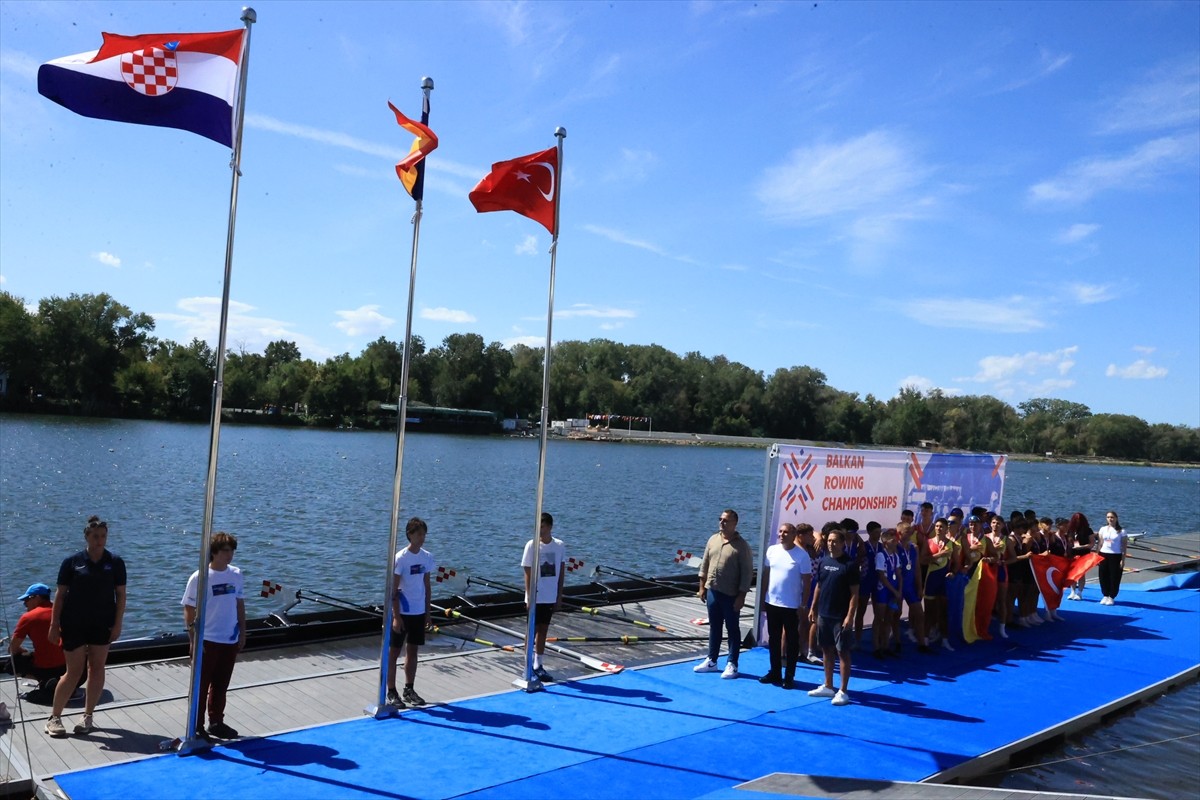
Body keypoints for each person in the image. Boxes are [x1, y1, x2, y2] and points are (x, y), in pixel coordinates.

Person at [45, 516, 127, 738]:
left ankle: (88, 716)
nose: (99, 541)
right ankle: (54, 717)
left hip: (102, 623)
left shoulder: (115, 562)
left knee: (97, 668)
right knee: (73, 671)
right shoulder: (72, 562)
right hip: (74, 622)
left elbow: (120, 595)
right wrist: (54, 624)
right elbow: (60, 596)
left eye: (103, 536)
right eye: (95, 536)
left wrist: (118, 623)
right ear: (87, 537)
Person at [182, 531, 246, 740]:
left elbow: (239, 603)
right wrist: (193, 639)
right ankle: (197, 726)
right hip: (207, 640)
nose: (230, 555)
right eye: (226, 551)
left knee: (221, 684)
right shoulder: (199, 577)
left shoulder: (236, 574)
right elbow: (189, 608)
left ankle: (216, 722)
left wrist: (243, 632)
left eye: (232, 551)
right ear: (215, 552)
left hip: (229, 638)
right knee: (201, 686)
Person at [694, 508, 754, 679]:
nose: (722, 522)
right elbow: (704, 564)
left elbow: (747, 573)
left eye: (726, 520)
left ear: (735, 523)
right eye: (720, 519)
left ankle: (732, 664)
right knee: (715, 626)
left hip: (731, 594)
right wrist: (702, 587)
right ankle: (712, 660)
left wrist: (741, 596)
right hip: (713, 590)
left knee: (733, 628)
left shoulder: (742, 546)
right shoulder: (713, 540)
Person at [808, 528, 858, 706]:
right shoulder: (823, 561)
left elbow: (854, 594)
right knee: (826, 649)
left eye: (835, 541)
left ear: (843, 543)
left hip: (840, 616)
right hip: (824, 614)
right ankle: (828, 685)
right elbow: (819, 586)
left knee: (842, 652)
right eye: (829, 540)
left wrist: (849, 616)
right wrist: (813, 607)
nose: (831, 544)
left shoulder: (849, 565)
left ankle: (843, 691)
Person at [388, 517, 435, 706]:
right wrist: (396, 617)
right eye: (418, 534)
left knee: (413, 651)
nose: (422, 537)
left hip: (419, 611)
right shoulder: (401, 558)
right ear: (410, 535)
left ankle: (409, 689)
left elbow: (427, 585)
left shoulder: (427, 557)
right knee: (394, 653)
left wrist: (428, 613)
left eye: (424, 534)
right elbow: (394, 590)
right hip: (403, 612)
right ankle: (391, 691)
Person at [759, 523, 811, 688]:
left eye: (786, 532)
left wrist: (803, 604)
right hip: (772, 602)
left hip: (791, 606)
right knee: (773, 639)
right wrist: (762, 599)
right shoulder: (772, 551)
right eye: (780, 531)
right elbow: (766, 575)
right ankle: (775, 672)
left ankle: (789, 675)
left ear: (794, 534)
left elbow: (807, 582)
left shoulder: (802, 556)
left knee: (792, 640)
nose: (781, 534)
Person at [522, 512, 565, 682]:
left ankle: (538, 664)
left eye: (543, 526)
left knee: (543, 629)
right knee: (531, 631)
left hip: (550, 595)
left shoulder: (559, 545)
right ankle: (527, 664)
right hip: (535, 596)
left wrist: (559, 595)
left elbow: (561, 570)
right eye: (538, 526)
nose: (540, 530)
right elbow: (527, 570)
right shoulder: (531, 545)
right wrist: (529, 595)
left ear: (550, 527)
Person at [9, 583, 67, 698]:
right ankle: (62, 682)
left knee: (10, 664)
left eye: (26, 599)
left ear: (37, 597)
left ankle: (45, 679)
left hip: (46, 667)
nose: (24, 603)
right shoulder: (64, 611)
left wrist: (22, 650)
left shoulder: (28, 617)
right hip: (70, 666)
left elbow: (12, 648)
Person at [1096, 511, 1128, 605]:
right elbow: (1100, 543)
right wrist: (1097, 555)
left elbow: (1124, 546)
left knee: (1114, 576)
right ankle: (1105, 595)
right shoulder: (1103, 529)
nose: (1110, 519)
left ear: (1116, 518)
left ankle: (1111, 596)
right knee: (1103, 576)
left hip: (1115, 555)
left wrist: (1123, 559)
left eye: (1112, 517)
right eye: (1108, 517)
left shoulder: (1121, 531)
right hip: (1103, 554)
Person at [1066, 512, 1095, 600]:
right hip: (1072, 553)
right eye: (1076, 519)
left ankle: (1079, 592)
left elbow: (1092, 543)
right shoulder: (1070, 530)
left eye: (1079, 519)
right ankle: (1072, 591)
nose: (1077, 521)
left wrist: (1082, 547)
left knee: (1081, 574)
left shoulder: (1088, 530)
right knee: (1072, 573)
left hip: (1083, 553)